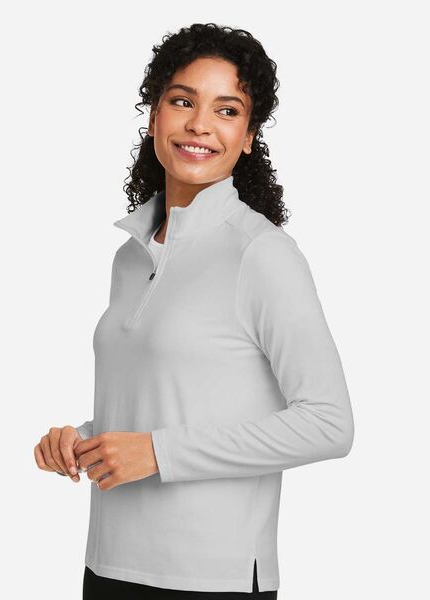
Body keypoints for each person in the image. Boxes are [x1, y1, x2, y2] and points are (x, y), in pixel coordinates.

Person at [34, 23, 354, 599]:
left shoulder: (262, 253)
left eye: (226, 110)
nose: (200, 124)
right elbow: (167, 403)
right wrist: (82, 441)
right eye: (183, 101)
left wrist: (158, 453)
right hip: (108, 566)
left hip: (210, 576)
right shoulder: (130, 256)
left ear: (248, 137)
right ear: (154, 117)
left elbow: (329, 424)